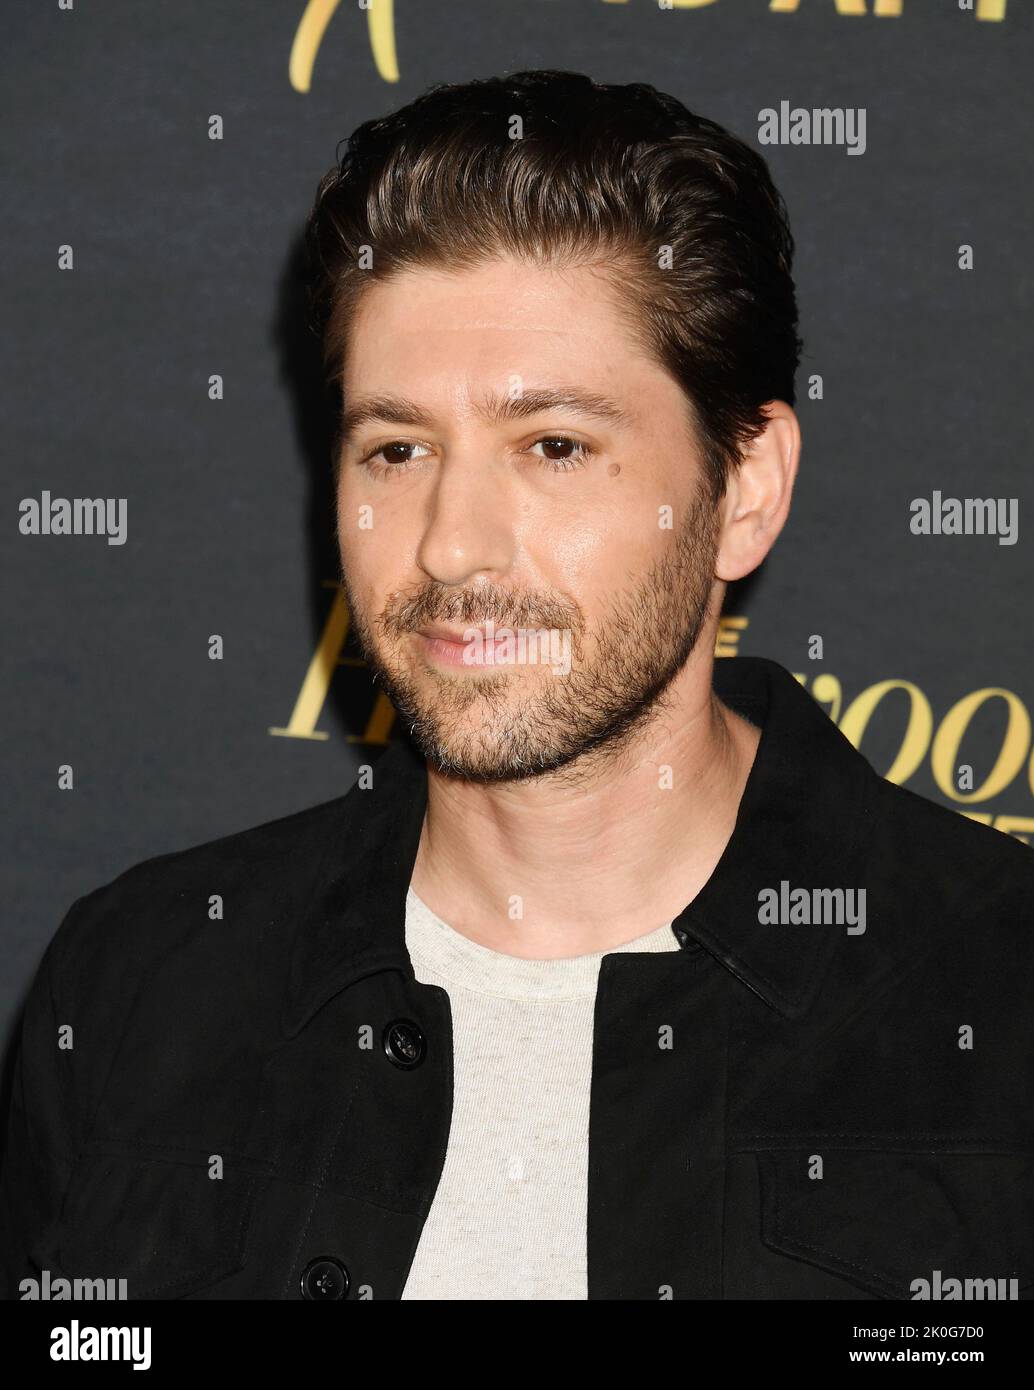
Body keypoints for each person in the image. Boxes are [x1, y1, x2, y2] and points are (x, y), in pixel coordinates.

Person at [2, 70, 1031, 1302]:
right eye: (396, 448)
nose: (450, 545)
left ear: (743, 488)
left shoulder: (993, 998)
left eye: (552, 447)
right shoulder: (140, 986)